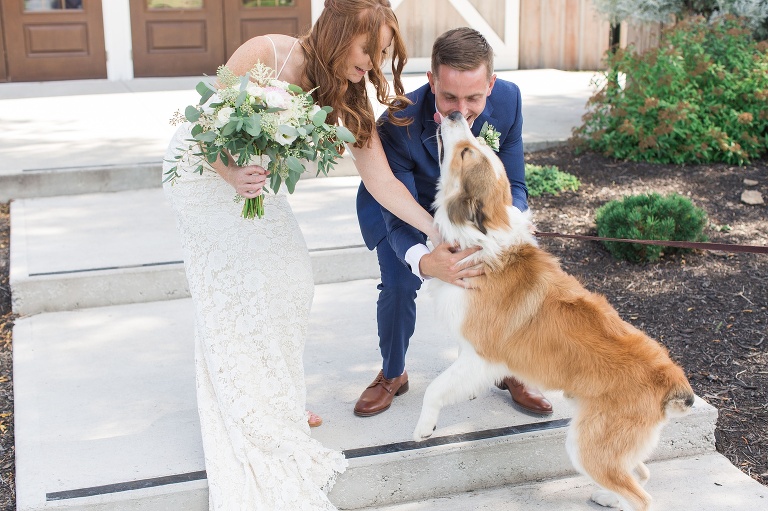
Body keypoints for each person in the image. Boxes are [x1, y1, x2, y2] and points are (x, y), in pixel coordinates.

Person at [162, 1, 440, 509]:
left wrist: (437, 229)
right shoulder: (265, 53)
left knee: (292, 281)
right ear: (338, 32)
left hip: (256, 184)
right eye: (367, 51)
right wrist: (230, 174)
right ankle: (257, 408)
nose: (372, 66)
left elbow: (382, 181)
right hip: (205, 177)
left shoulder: (350, 98)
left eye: (381, 57)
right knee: (234, 291)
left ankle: (279, 400)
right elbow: (204, 125)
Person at [354, 27, 554, 418]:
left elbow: (513, 182)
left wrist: (512, 220)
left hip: (470, 215)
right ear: (431, 80)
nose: (460, 108)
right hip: (401, 209)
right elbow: (398, 205)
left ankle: (507, 367)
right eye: (449, 97)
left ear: (491, 84)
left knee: (509, 280)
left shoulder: (509, 100)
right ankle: (393, 373)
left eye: (474, 97)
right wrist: (425, 259)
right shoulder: (399, 120)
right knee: (398, 284)